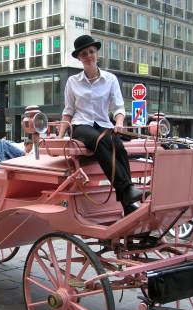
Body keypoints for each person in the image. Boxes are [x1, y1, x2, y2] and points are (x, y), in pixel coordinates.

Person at [58, 35, 149, 216]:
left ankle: (127, 203)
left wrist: (120, 123)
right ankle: (127, 189)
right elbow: (68, 111)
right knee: (98, 141)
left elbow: (118, 108)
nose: (89, 56)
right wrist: (60, 137)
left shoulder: (110, 79)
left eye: (91, 52)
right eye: (84, 54)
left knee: (118, 146)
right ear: (79, 58)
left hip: (103, 124)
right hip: (80, 125)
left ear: (96, 53)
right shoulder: (72, 81)